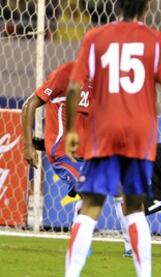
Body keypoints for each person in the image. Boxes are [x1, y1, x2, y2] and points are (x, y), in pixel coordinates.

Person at [64, 0, 161, 276]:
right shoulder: (159, 40)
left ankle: (71, 275)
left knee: (90, 206)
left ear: (116, 6)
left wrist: (73, 128)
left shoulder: (95, 38)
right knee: (134, 207)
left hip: (104, 130)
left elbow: (75, 86)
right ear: (147, 7)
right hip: (140, 133)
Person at [21, 61, 134, 257]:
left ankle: (131, 248)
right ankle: (79, 244)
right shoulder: (66, 73)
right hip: (62, 153)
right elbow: (30, 104)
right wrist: (28, 145)